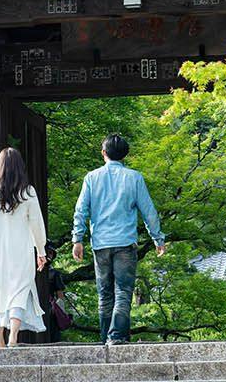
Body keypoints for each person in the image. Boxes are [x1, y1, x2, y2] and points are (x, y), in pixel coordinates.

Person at [71, 134, 168, 345]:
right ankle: (116, 337)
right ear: (125, 154)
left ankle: (105, 337)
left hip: (101, 243)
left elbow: (81, 210)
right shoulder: (134, 178)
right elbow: (149, 211)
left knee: (104, 293)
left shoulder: (91, 177)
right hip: (124, 243)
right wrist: (157, 238)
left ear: (103, 153)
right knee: (123, 291)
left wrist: (77, 239)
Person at [0, 147, 48, 348]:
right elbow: (37, 224)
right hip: (21, 251)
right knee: (19, 293)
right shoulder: (28, 192)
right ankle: (13, 335)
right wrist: (40, 251)